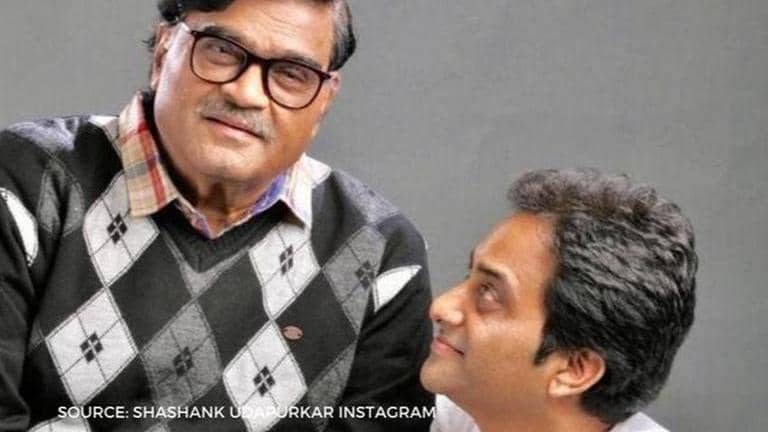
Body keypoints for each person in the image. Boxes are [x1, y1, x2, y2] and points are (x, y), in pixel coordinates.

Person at [0, 1, 433, 430]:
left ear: (324, 100)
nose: (246, 93)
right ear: (163, 52)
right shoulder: (24, 182)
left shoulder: (381, 255)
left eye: (291, 73)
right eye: (222, 50)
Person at [420, 168, 698, 432]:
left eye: (489, 293)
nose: (440, 306)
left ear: (575, 368)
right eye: (469, 275)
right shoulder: (443, 418)